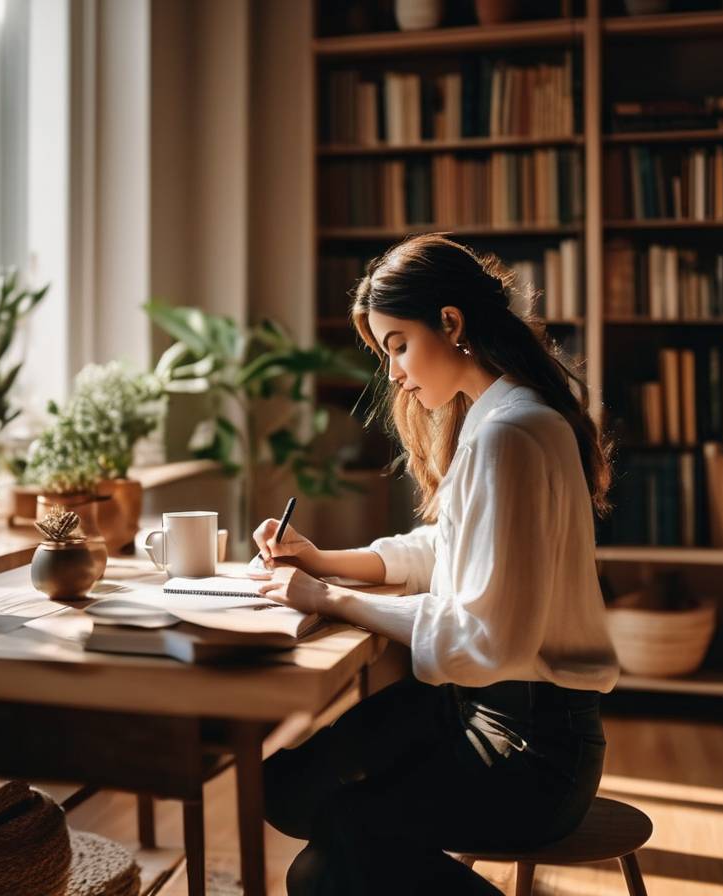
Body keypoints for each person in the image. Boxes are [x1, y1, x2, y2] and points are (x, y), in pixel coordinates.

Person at [252, 233, 620, 895]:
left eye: (397, 345)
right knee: (286, 791)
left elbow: (483, 639)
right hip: (478, 710)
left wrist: (328, 599)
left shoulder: (510, 432)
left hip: (532, 748)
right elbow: (445, 552)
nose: (393, 372)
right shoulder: (499, 416)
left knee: (330, 854)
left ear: (450, 323)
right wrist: (322, 560)